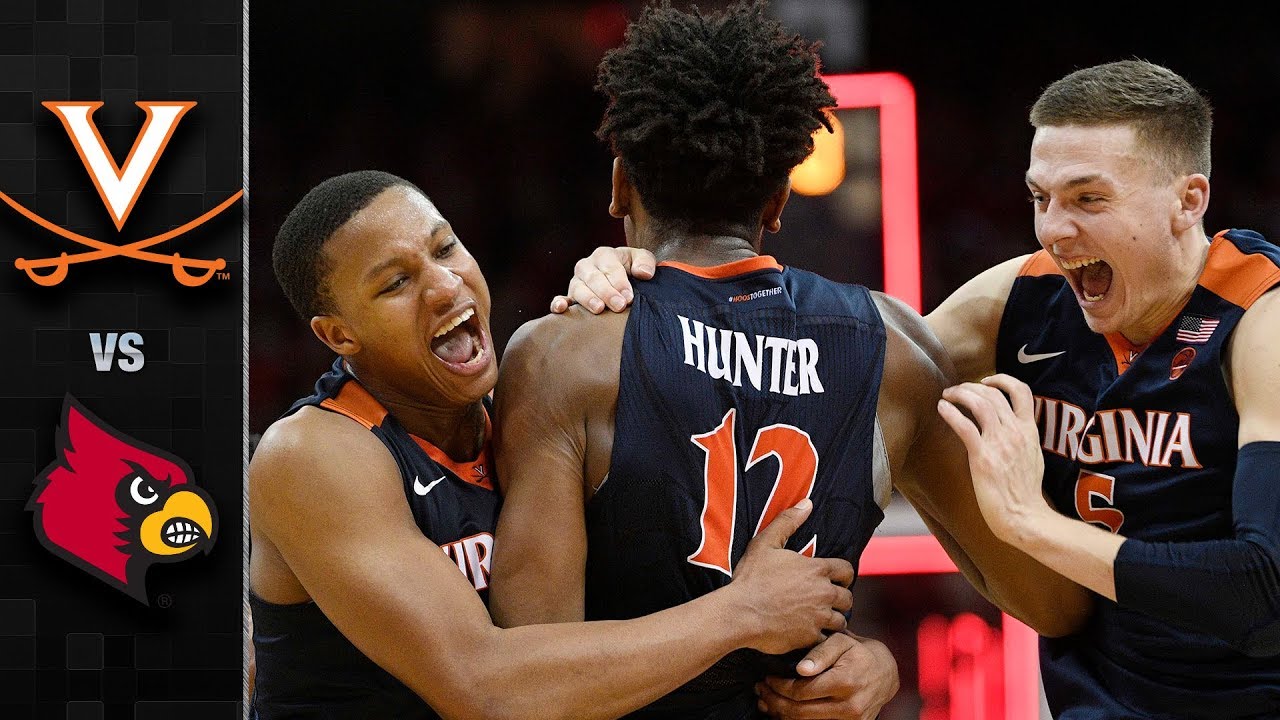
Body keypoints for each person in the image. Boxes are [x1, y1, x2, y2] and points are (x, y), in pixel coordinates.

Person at [561, 59, 1280, 719]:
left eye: (1089, 199)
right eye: (1040, 197)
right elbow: (836, 370)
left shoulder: (1260, 321)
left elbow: (1262, 590)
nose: (1055, 230)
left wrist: (1032, 525)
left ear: (1189, 201)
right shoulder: (1026, 302)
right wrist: (653, 273)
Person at [488, 3, 1091, 719]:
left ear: (620, 183)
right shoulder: (895, 349)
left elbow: (526, 686)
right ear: (778, 201)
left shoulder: (566, 356)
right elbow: (1053, 606)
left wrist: (873, 662)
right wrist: (878, 658)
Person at [247, 169, 861, 720]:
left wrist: (847, 663)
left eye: (445, 248)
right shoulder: (314, 454)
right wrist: (744, 615)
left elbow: (643, 627)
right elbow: (484, 691)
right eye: (396, 283)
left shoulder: (531, 409)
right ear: (338, 335)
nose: (444, 285)